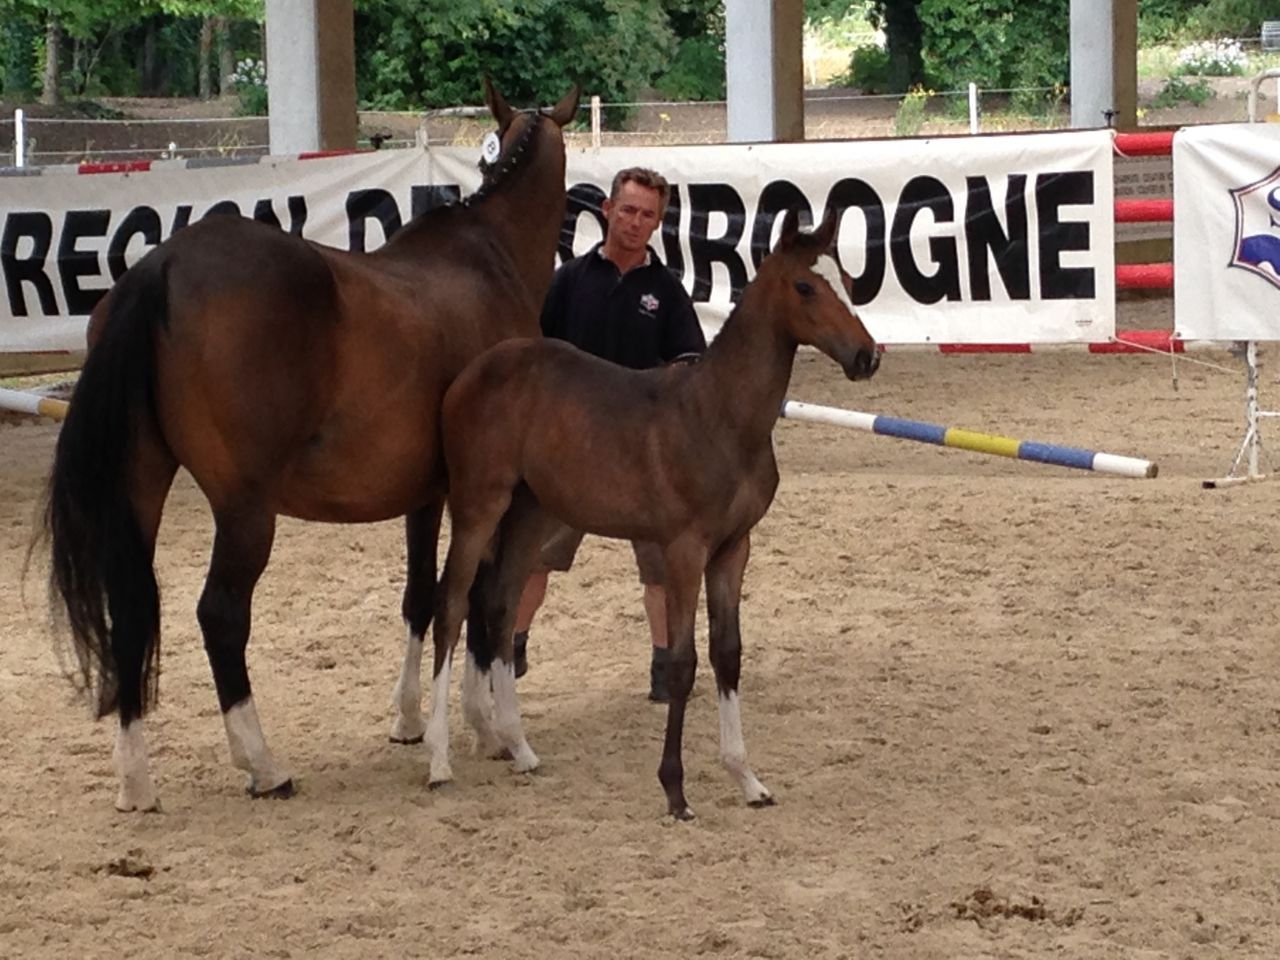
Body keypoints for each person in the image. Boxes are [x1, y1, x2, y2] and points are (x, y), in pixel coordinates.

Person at [512, 167, 707, 702]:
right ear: (606, 210)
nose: (636, 222)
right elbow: (535, 354)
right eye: (628, 210)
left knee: (663, 563)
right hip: (569, 449)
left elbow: (691, 362)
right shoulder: (570, 279)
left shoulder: (666, 291)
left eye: (648, 215)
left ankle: (666, 666)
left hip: (646, 455)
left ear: (658, 223)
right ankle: (512, 645)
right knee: (533, 554)